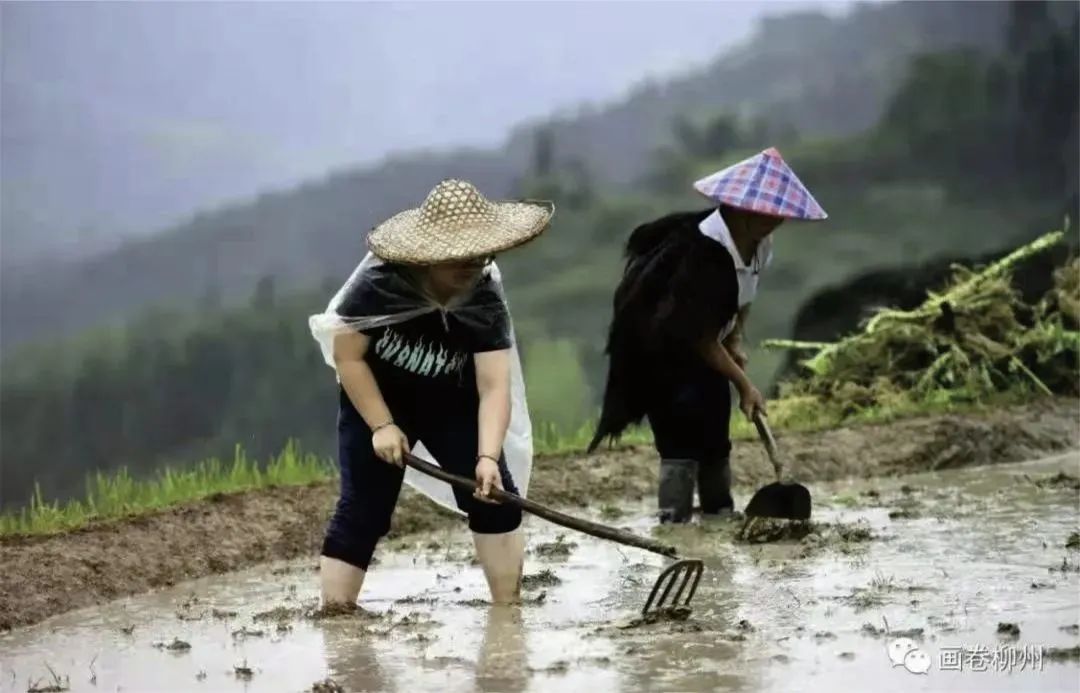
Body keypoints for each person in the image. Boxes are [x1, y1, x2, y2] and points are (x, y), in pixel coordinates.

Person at [308, 179, 554, 604]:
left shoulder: (483, 295)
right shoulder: (378, 284)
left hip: (452, 404)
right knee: (363, 510)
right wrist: (382, 425)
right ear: (427, 256)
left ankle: (508, 612)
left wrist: (487, 457)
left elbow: (494, 385)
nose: (471, 265)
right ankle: (335, 616)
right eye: (458, 256)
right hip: (379, 400)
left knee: (497, 499)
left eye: (480, 255)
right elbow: (348, 357)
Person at [587, 147, 827, 523]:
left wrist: (734, 340)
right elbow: (700, 337)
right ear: (738, 207)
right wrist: (746, 384)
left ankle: (719, 516)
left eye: (776, 213)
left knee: (715, 436)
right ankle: (674, 523)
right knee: (679, 442)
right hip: (662, 358)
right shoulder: (701, 254)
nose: (771, 220)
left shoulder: (760, 245)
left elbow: (742, 296)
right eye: (761, 212)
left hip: (705, 348)